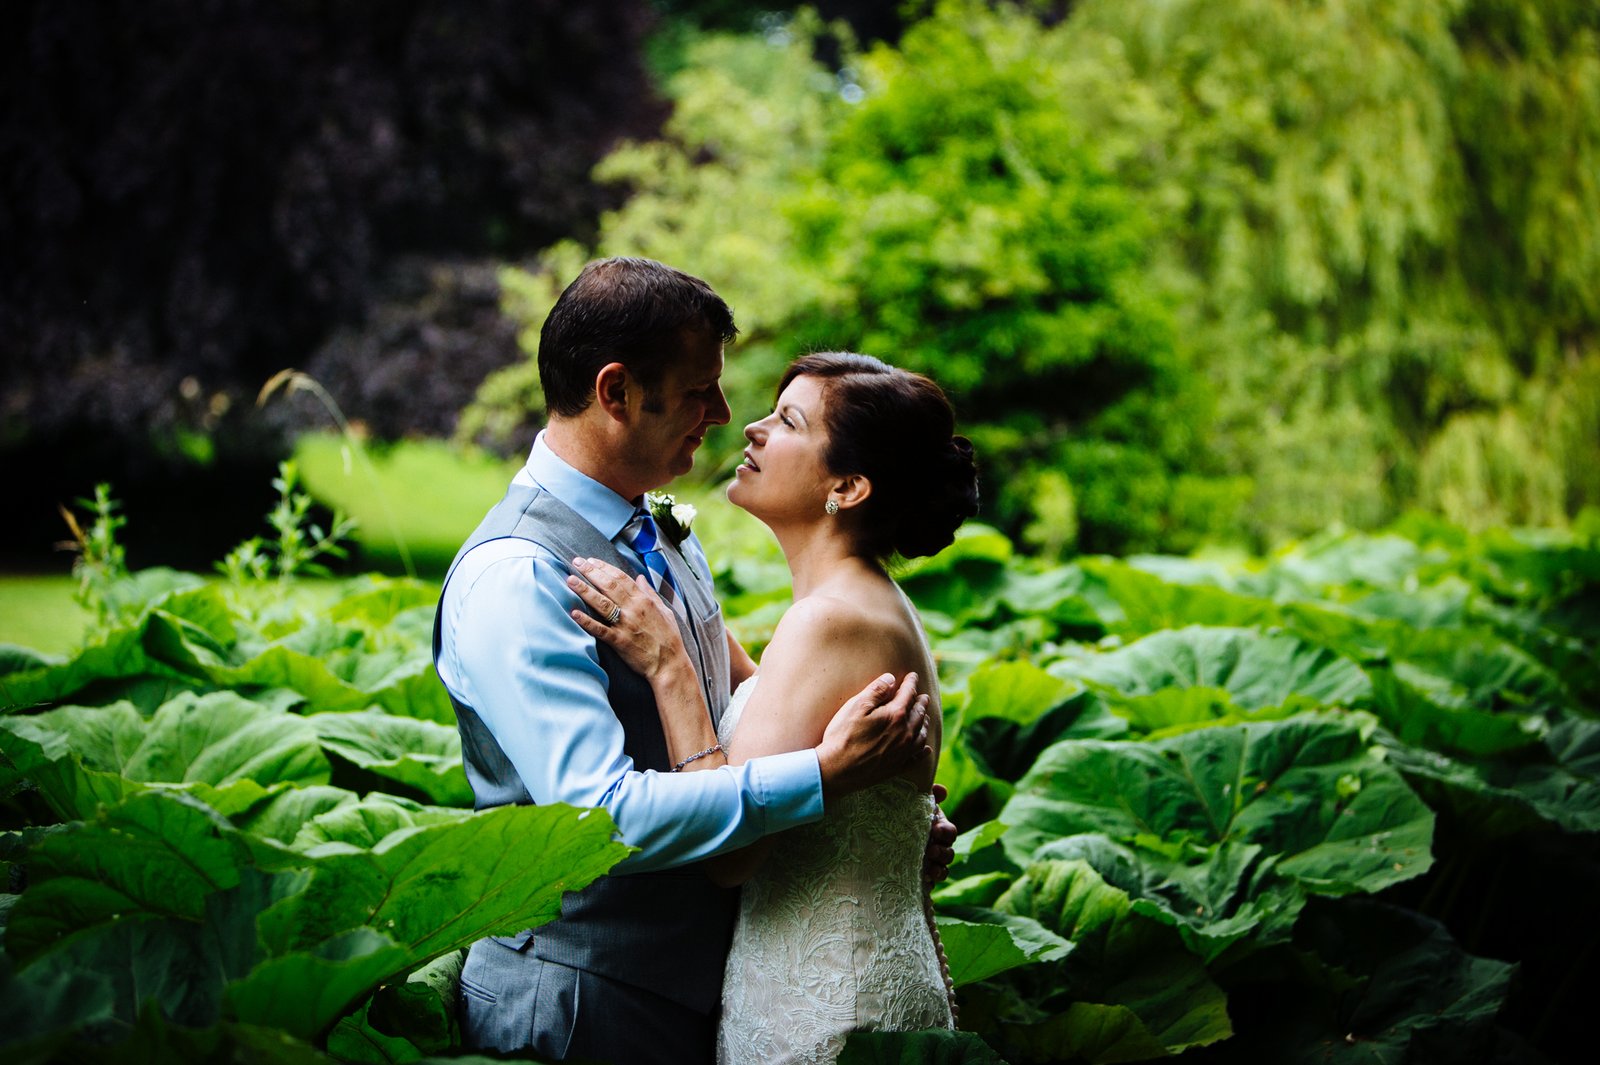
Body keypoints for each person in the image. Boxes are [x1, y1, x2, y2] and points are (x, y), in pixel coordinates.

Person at [431, 258, 953, 1064]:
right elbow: (596, 816)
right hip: (583, 1001)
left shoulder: (663, 524)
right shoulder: (518, 578)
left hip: (711, 983)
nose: (722, 413)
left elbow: (739, 692)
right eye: (698, 389)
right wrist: (826, 777)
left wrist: (882, 816)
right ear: (616, 393)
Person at [569, 352, 980, 1064]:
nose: (752, 429)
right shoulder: (853, 605)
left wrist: (671, 667)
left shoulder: (832, 620)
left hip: (831, 1001)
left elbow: (730, 857)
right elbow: (781, 713)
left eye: (788, 420)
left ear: (846, 487)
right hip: (825, 973)